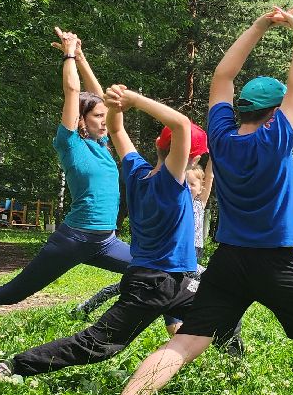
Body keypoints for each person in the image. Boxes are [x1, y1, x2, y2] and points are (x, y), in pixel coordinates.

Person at [116, 8, 293, 395]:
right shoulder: (276, 140)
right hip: (277, 262)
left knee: (188, 340)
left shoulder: (220, 136)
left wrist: (257, 26)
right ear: (274, 112)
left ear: (244, 109)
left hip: (229, 260)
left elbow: (222, 78)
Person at [0, 29, 130, 342]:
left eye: (105, 115)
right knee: (11, 293)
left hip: (105, 241)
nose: (105, 120)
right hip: (73, 240)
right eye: (98, 116)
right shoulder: (70, 144)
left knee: (154, 268)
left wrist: (82, 55)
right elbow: (74, 92)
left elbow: (94, 92)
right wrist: (69, 55)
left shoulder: (102, 145)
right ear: (81, 121)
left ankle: (177, 327)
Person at [0, 86, 204, 378]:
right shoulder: (170, 184)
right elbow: (179, 125)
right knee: (99, 344)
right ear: (192, 158)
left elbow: (116, 128)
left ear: (156, 144)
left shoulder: (137, 172)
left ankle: (232, 361)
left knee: (219, 311)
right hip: (153, 284)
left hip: (169, 280)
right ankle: (14, 366)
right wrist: (135, 100)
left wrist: (115, 105)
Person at [73, 128, 214, 319]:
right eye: (186, 182)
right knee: (126, 287)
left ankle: (179, 323)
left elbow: (210, 175)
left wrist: (215, 151)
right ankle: (88, 305)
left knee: (169, 290)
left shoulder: (199, 202)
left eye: (193, 185)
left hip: (190, 256)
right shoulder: (172, 194)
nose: (188, 187)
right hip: (169, 258)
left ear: (201, 188)